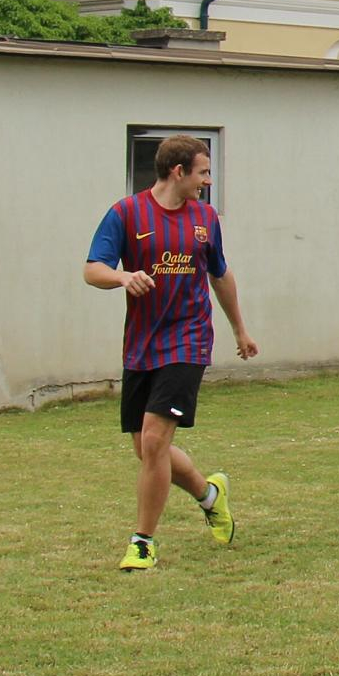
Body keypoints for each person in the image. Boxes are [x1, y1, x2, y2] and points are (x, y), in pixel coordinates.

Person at [83, 135, 255, 572]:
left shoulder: (205, 218)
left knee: (156, 441)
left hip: (188, 341)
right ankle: (210, 495)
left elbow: (220, 274)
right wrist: (123, 278)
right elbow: (92, 269)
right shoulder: (126, 213)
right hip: (142, 344)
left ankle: (142, 542)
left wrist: (239, 329)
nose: (208, 181)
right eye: (203, 172)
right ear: (178, 172)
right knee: (146, 450)